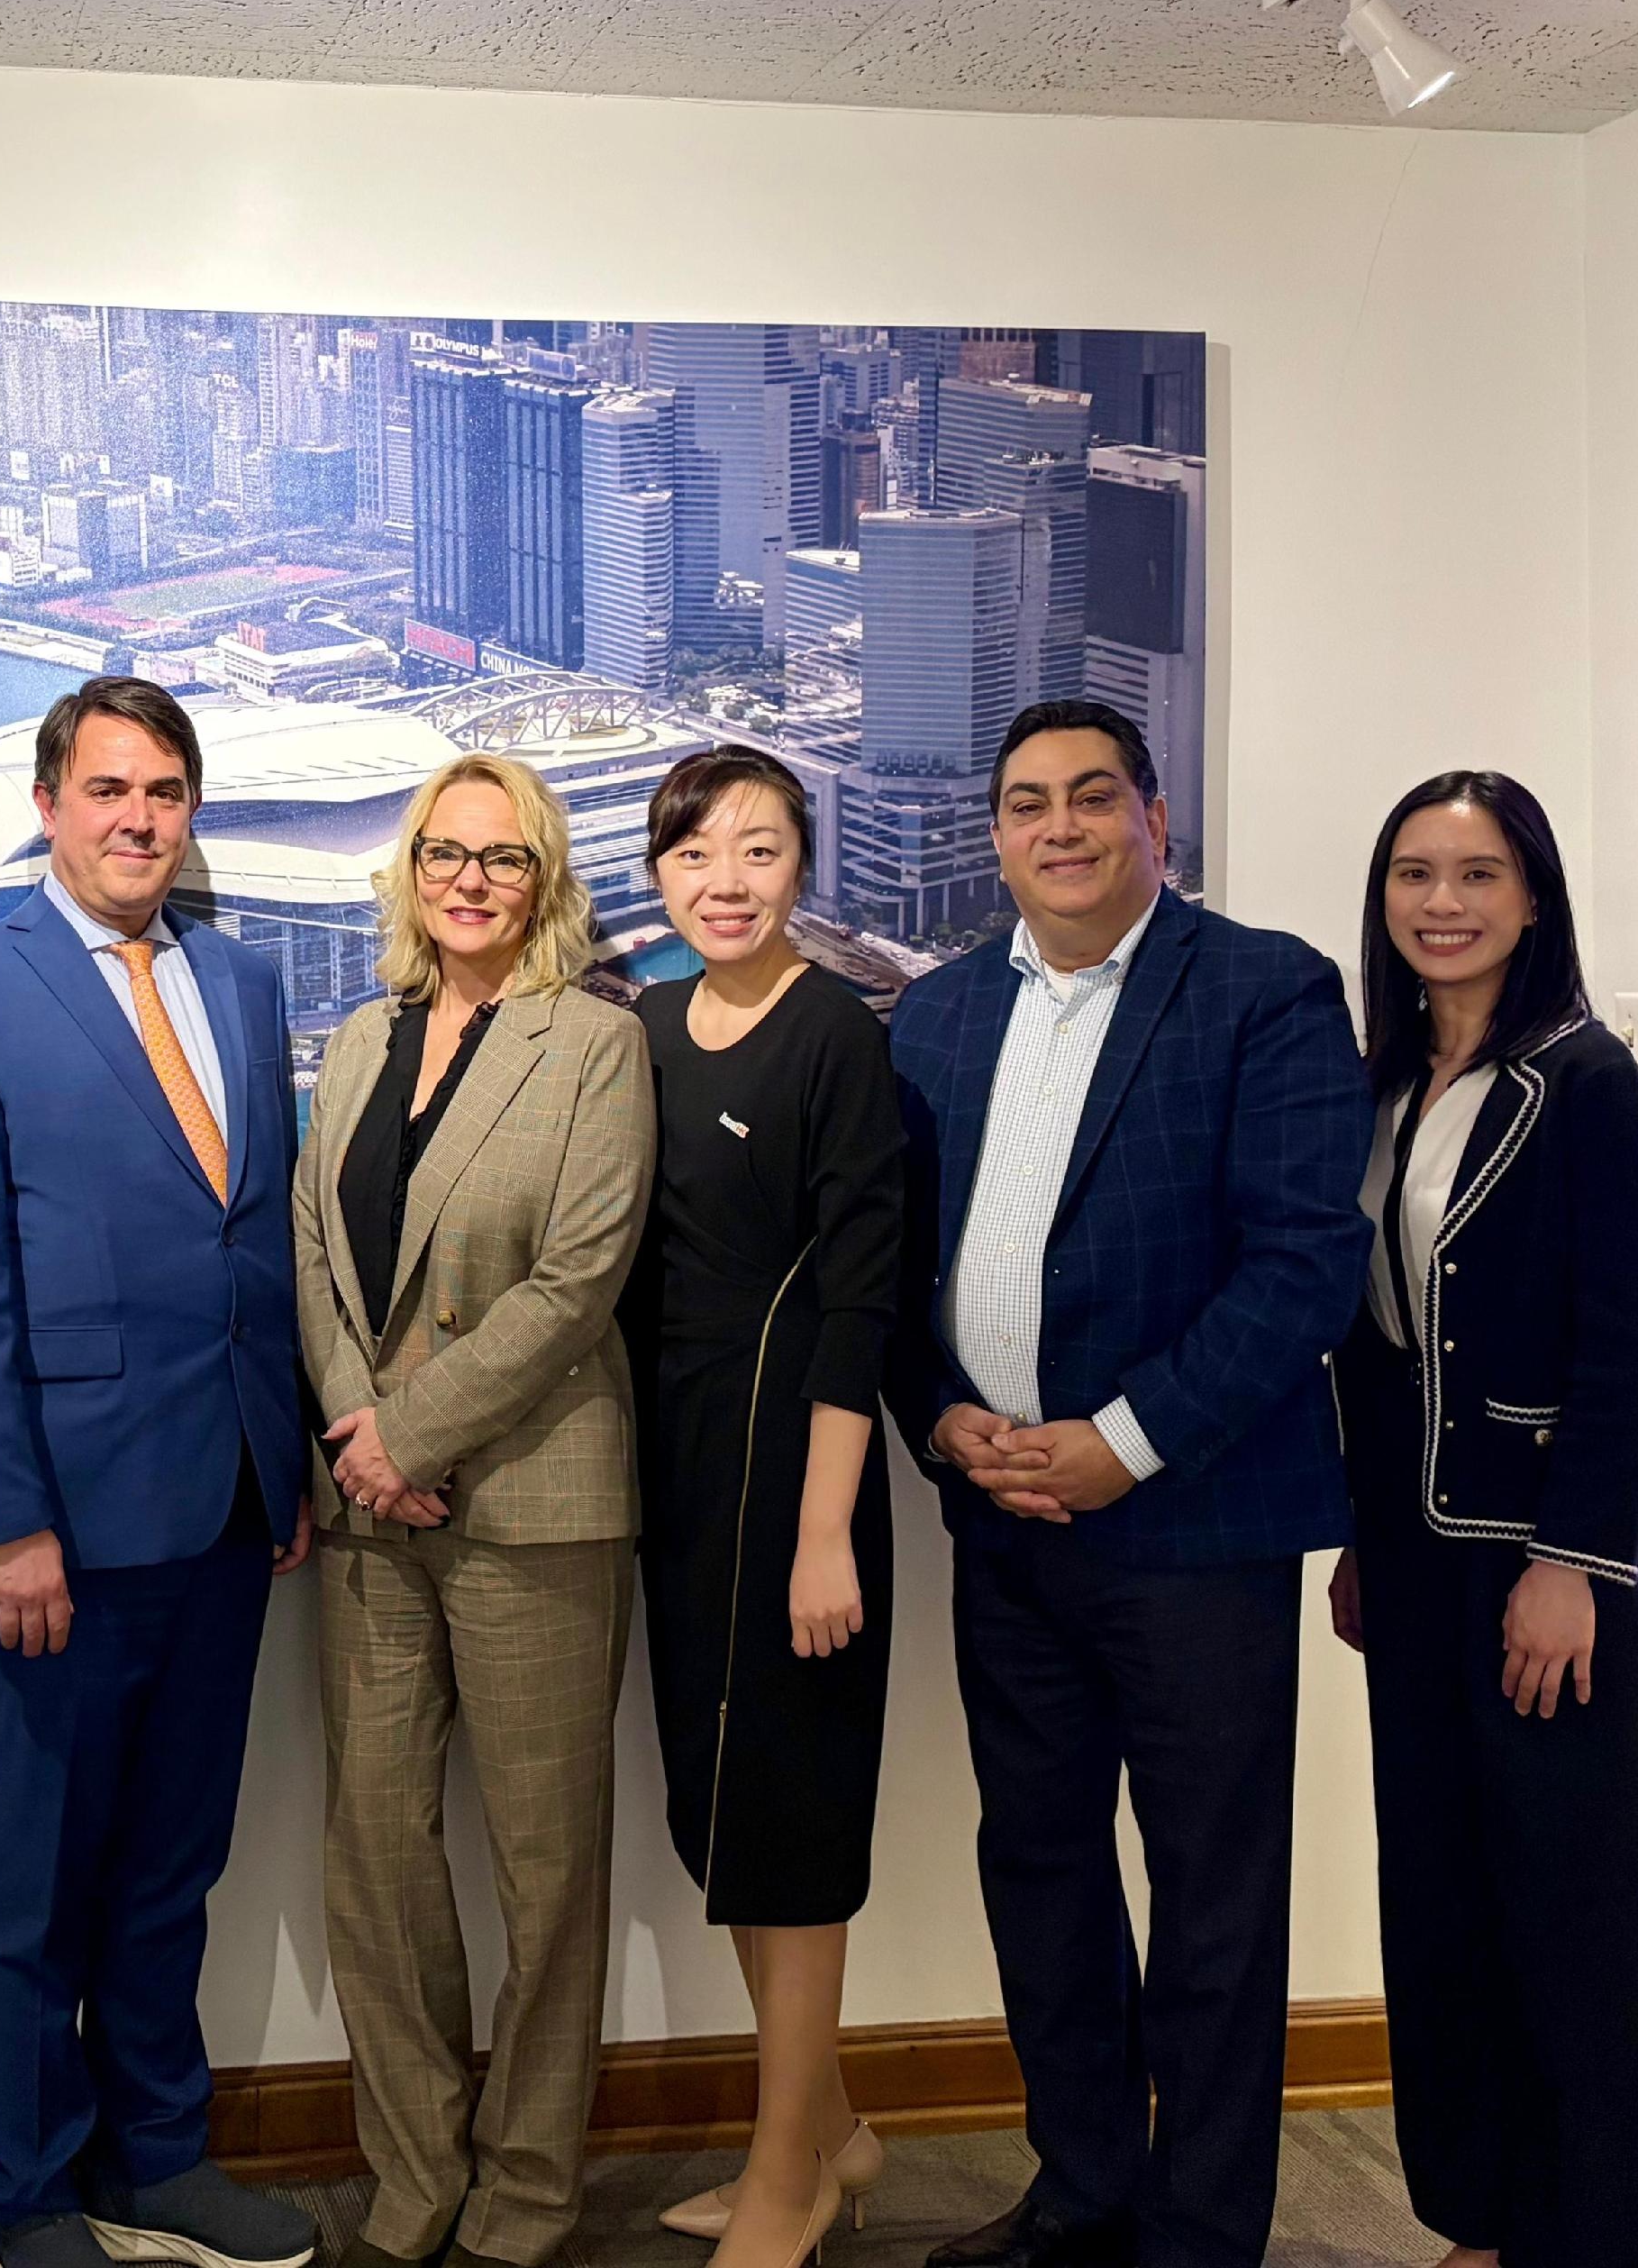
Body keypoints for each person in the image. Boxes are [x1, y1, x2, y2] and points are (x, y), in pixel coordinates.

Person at [885, 700, 1372, 2268]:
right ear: (998, 835)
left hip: (1193, 1533)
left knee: (1213, 1895)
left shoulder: (1264, 991)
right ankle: (1085, 2188)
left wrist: (1124, 1444)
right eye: (1027, 803)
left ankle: (1203, 2231)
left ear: (1154, 818)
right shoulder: (940, 1014)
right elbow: (897, 1267)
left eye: (1096, 797)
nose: (1063, 828)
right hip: (1004, 1520)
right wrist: (946, 1419)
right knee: (1038, 1869)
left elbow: (1304, 1267)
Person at [0, 676, 322, 2268]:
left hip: (227, 1512)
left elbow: (252, 1239)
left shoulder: (245, 981)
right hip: (56, 1530)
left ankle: (158, 2158)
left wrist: (284, 1466)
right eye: (108, 790)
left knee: (173, 1869)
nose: (139, 818)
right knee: (42, 1886)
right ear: (52, 808)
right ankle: (31, 2192)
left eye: (165, 792)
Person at [293, 755, 657, 2268]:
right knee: (376, 1859)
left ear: (545, 880)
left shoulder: (594, 1045)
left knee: (546, 1872)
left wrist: (412, 1432)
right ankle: (413, 2170)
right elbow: (314, 1247)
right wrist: (359, 1442)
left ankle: (526, 2194)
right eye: (447, 853)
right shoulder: (362, 1039)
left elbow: (581, 1277)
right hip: (374, 1516)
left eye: (505, 861)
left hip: (533, 1508)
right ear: (411, 869)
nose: (471, 882)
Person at [1328, 773, 1638, 2268]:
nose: (1442, 903)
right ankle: (1485, 2221)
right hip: (1414, 1560)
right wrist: (1361, 1530)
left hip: (1551, 1558)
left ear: (1533, 898)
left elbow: (1627, 1346)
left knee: (1574, 1922)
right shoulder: (1389, 1079)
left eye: (1477, 875)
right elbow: (1379, 1336)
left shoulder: (1591, 1085)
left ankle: (1608, 2241)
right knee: (1442, 1907)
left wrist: (1573, 1566)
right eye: (1415, 873)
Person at [620, 746, 912, 2268]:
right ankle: (833, 2128)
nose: (722, 883)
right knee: (724, 1814)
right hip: (677, 1479)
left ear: (803, 867)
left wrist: (821, 1535)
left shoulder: (836, 1045)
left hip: (796, 1492)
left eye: (756, 853)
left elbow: (861, 1303)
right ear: (657, 872)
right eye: (693, 855)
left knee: (792, 1832)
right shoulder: (648, 1028)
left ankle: (787, 2182)